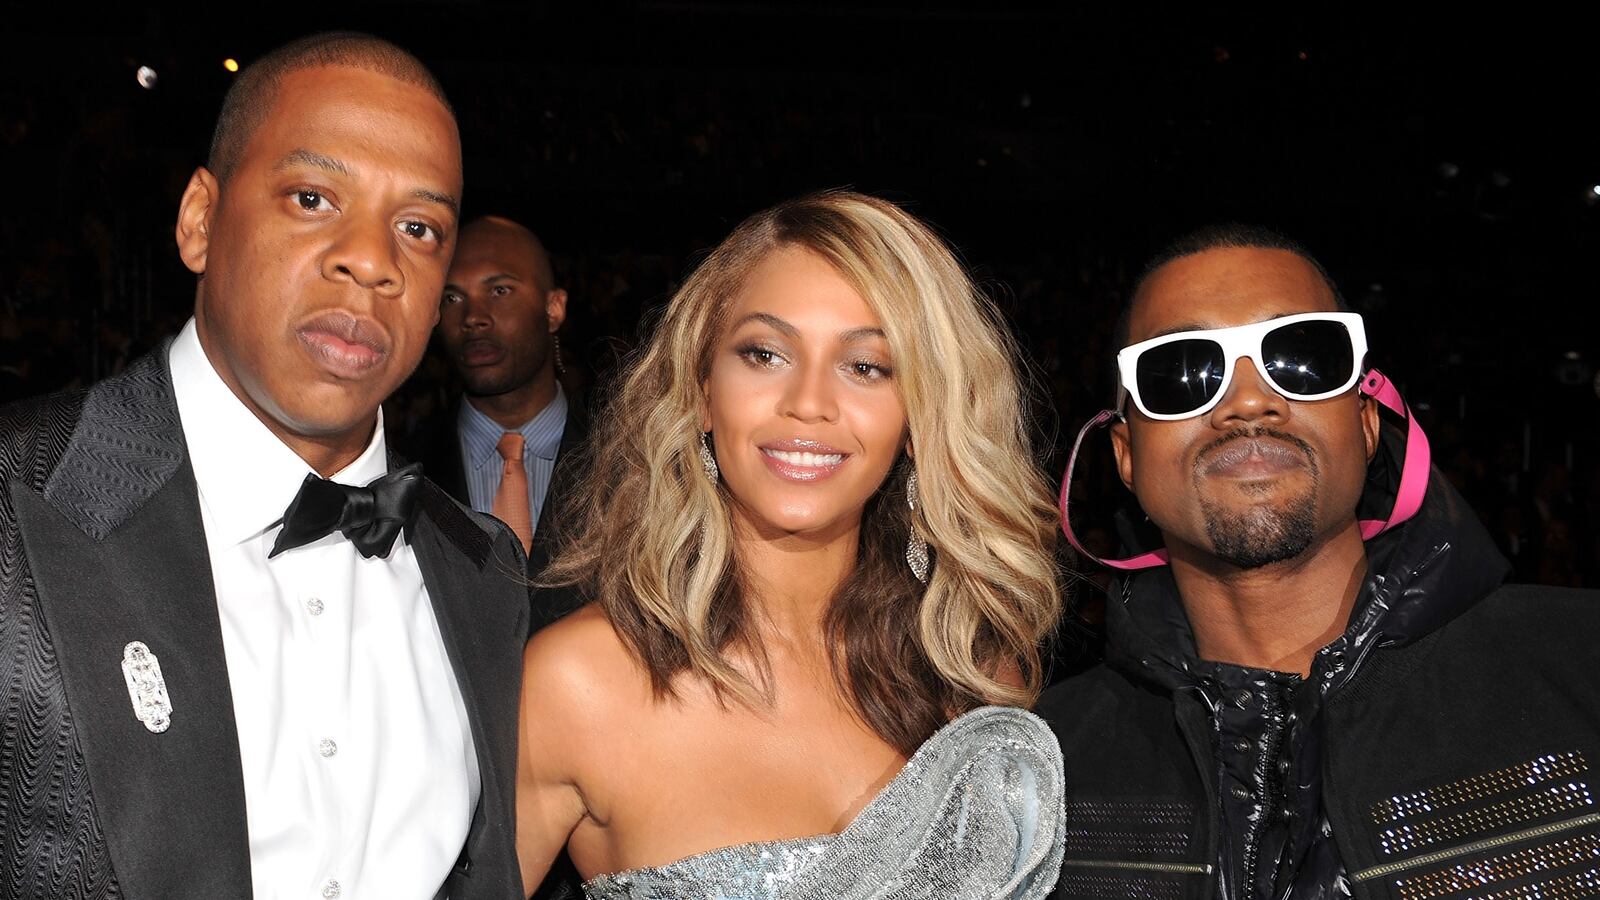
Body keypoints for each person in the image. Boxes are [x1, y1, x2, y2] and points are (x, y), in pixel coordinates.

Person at [0, 33, 529, 899]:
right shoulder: (17, 504)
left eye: (418, 227)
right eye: (314, 197)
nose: (371, 260)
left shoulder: (490, 579)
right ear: (200, 221)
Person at [515, 191, 1067, 899]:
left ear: (918, 417)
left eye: (866, 366)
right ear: (702, 389)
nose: (808, 401)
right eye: (765, 353)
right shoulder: (579, 684)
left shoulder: (971, 671)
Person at [1038, 225, 1600, 900]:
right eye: (1183, 373)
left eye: (1302, 355)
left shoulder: (1579, 664)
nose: (1248, 403)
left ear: (1367, 423)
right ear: (1125, 456)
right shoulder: (1045, 769)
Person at [419, 215, 587, 631]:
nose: (474, 316)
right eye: (453, 298)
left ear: (553, 309)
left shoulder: (635, 462)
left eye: (499, 290)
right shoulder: (400, 472)